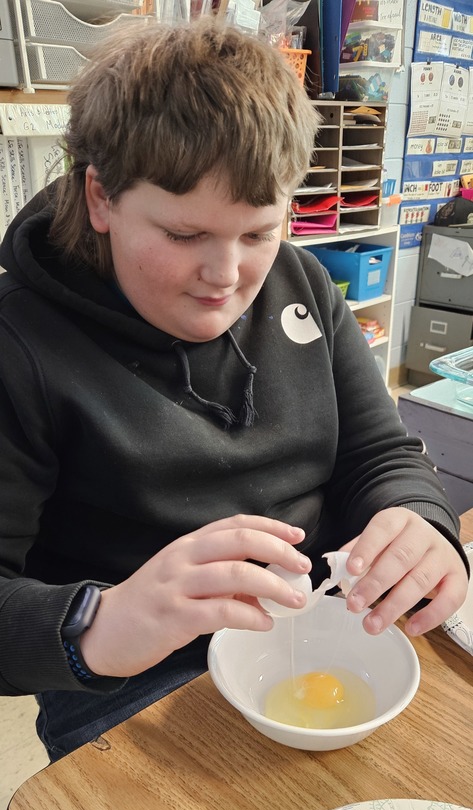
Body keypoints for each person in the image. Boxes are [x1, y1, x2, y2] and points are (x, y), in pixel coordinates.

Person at [0, 17, 468, 761]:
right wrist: (102, 621)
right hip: (133, 684)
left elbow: (380, 452)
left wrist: (417, 520)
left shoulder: (304, 282)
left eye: (257, 233)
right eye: (184, 236)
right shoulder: (19, 347)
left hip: (318, 624)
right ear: (100, 198)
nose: (226, 278)